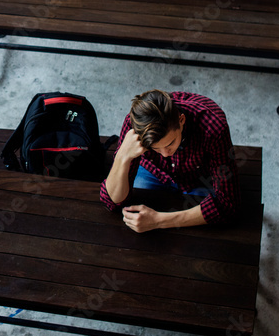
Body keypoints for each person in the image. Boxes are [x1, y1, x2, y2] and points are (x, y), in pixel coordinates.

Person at [100, 89, 240, 233]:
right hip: (152, 171)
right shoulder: (134, 125)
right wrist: (122, 156)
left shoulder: (213, 127)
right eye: (155, 148)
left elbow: (227, 204)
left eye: (170, 143)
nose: (165, 154)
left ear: (181, 120)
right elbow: (111, 202)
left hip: (197, 177)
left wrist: (158, 221)